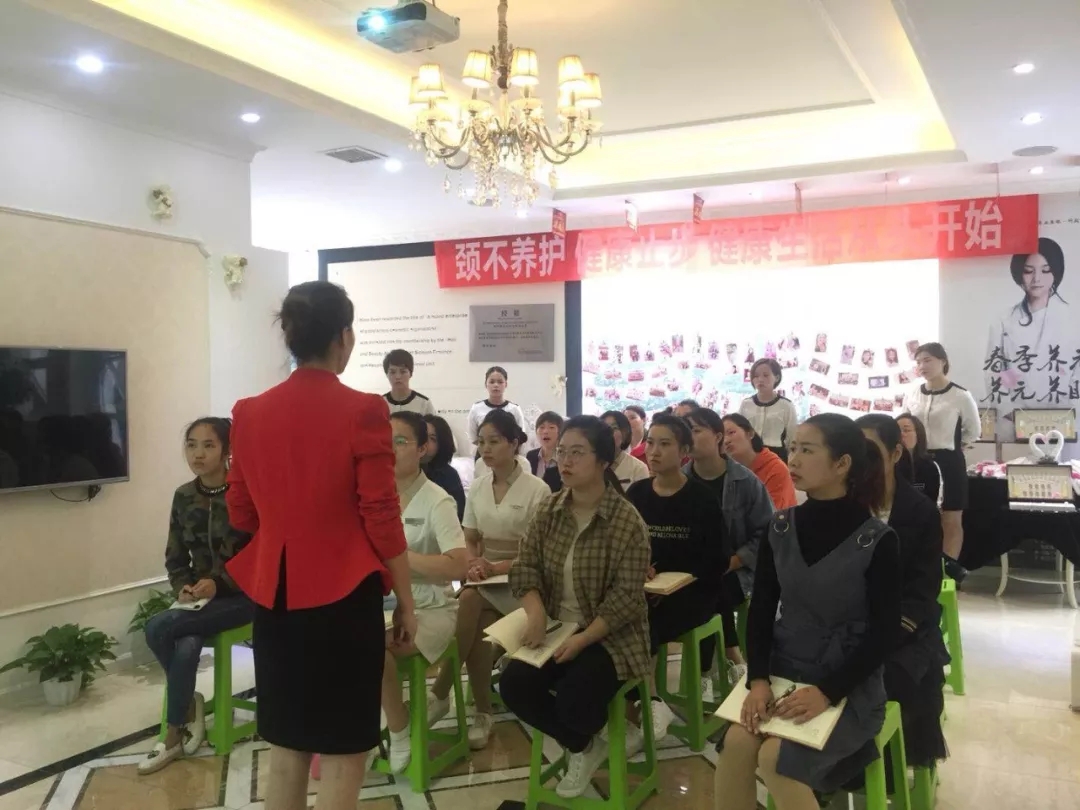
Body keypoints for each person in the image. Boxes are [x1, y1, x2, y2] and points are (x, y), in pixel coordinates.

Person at [225, 281, 416, 810]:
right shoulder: (363, 409)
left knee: (287, 744)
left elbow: (240, 511)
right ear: (343, 337)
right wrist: (405, 599)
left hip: (276, 595)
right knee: (343, 749)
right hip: (343, 598)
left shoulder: (249, 411)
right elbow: (381, 516)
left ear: (289, 336)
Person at [714, 414, 901, 810]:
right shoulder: (781, 527)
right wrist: (758, 680)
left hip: (847, 681)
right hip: (785, 669)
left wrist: (828, 692)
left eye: (807, 450)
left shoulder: (876, 539)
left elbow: (884, 633)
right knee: (736, 743)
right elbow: (761, 609)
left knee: (776, 758)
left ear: (842, 463)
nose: (793, 459)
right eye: (793, 448)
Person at [499, 416, 651, 799]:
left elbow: (626, 598)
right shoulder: (549, 510)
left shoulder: (626, 522)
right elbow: (524, 566)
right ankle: (584, 745)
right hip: (555, 626)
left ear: (603, 461)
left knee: (574, 696)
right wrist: (536, 614)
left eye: (577, 453)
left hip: (609, 634)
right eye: (562, 452)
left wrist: (583, 639)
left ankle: (590, 734)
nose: (565, 461)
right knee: (513, 685)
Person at [428, 410, 551, 749]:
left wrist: (496, 567)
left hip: (524, 581)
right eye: (481, 441)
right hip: (487, 579)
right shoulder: (479, 486)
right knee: (477, 615)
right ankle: (482, 713)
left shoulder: (537, 490)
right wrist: (473, 564)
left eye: (494, 441)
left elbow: (538, 555)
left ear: (514, 443)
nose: (486, 448)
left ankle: (441, 691)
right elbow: (470, 538)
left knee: (470, 600)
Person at [138, 418, 255, 775]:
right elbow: (175, 558)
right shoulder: (183, 496)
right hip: (199, 601)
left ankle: (181, 720)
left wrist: (219, 584)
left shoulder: (246, 493)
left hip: (243, 597)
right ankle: (179, 725)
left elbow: (260, 557)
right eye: (191, 445)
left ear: (227, 450)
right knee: (187, 644)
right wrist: (183, 588)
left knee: (157, 627)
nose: (198, 454)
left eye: (208, 445)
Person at [626, 413, 731, 749]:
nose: (654, 451)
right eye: (650, 443)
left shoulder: (702, 499)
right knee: (620, 616)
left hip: (694, 592)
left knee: (641, 620)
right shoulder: (638, 493)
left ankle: (648, 702)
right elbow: (625, 545)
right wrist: (642, 567)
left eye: (665, 444)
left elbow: (716, 560)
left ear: (685, 452)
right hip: (646, 589)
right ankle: (640, 705)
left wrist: (675, 579)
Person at [856, 414, 948, 770]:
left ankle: (879, 767)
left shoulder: (919, 511)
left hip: (905, 629)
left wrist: (885, 636)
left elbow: (923, 590)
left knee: (887, 676)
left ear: (895, 453)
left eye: (871, 451)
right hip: (850, 624)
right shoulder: (845, 503)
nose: (862, 461)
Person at [383, 412, 468, 773]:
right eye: (384, 441)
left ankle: (398, 728)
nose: (390, 449)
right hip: (382, 604)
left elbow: (458, 565)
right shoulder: (373, 496)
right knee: (336, 640)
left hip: (429, 608)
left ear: (422, 449)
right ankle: (359, 731)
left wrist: (400, 559)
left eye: (400, 441)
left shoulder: (437, 500)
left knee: (367, 647)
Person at [683, 408, 773, 689]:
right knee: (705, 585)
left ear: (718, 436)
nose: (689, 437)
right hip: (687, 573)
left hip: (739, 570)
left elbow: (766, 534)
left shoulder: (745, 481)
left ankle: (703, 672)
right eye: (685, 431)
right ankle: (733, 656)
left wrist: (732, 561)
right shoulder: (680, 480)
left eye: (696, 430)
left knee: (711, 586)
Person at [902, 343, 979, 582]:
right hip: (917, 460)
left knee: (951, 517)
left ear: (942, 361)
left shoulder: (960, 395)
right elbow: (904, 425)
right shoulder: (912, 394)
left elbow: (973, 431)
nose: (922, 366)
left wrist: (953, 446)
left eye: (928, 360)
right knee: (915, 515)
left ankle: (947, 574)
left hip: (948, 462)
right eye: (918, 362)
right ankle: (917, 572)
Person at [986, 238, 1077, 432]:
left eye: (1045, 270)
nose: (1037, 279)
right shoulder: (1003, 320)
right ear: (1019, 273)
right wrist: (1011, 412)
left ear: (1055, 273)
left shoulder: (1073, 318)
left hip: (1064, 419)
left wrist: (1065, 413)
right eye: (1029, 271)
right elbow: (994, 370)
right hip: (1015, 420)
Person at [721, 413, 798, 510]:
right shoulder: (727, 469)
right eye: (722, 437)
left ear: (750, 433)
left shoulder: (775, 469)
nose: (726, 441)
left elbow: (772, 513)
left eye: (731, 432)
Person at [739, 359, 799, 462]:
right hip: (750, 454)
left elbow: (792, 437)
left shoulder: (786, 405)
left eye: (765, 375)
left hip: (777, 456)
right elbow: (740, 431)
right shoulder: (746, 404)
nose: (760, 379)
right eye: (756, 376)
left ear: (777, 377)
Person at [467, 366, 526, 452]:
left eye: (500, 382)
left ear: (506, 384)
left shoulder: (514, 409)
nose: (496, 385)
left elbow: (520, 437)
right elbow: (473, 437)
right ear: (486, 384)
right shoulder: (476, 408)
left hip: (508, 455)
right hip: (484, 454)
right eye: (492, 382)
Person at [421, 414, 466, 521]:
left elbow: (458, 515)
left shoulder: (449, 475)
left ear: (442, 444)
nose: (425, 442)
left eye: (432, 438)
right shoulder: (403, 469)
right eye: (422, 436)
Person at [895, 413, 942, 507]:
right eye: (896, 431)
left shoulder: (929, 467)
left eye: (906, 430)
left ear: (918, 434)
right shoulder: (887, 464)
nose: (901, 434)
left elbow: (931, 501)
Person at [601, 409, 650, 488]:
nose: (608, 433)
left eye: (614, 428)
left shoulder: (638, 468)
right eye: (604, 428)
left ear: (625, 433)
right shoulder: (590, 463)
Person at [382, 349, 436, 415]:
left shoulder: (424, 403)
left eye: (403, 372)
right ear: (386, 374)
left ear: (411, 373)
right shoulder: (380, 403)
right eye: (392, 372)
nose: (398, 376)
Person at [526, 410, 564, 492]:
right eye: (542, 427)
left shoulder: (564, 458)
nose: (545, 431)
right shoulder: (530, 456)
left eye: (551, 427)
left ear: (560, 432)